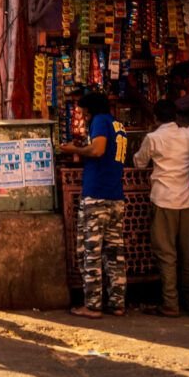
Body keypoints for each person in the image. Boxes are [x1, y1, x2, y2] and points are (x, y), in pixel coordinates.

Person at [61, 92, 128, 319]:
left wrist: (74, 150)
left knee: (91, 252)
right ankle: (117, 303)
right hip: (115, 197)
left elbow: (97, 150)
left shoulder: (99, 121)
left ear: (90, 110)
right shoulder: (118, 124)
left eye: (83, 112)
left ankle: (92, 305)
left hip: (96, 195)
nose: (83, 116)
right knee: (114, 253)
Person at [133, 99, 189, 316]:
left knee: (166, 254)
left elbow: (139, 163)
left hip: (163, 200)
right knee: (187, 254)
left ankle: (170, 303)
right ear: (176, 116)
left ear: (155, 118)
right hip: (187, 200)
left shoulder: (153, 138)